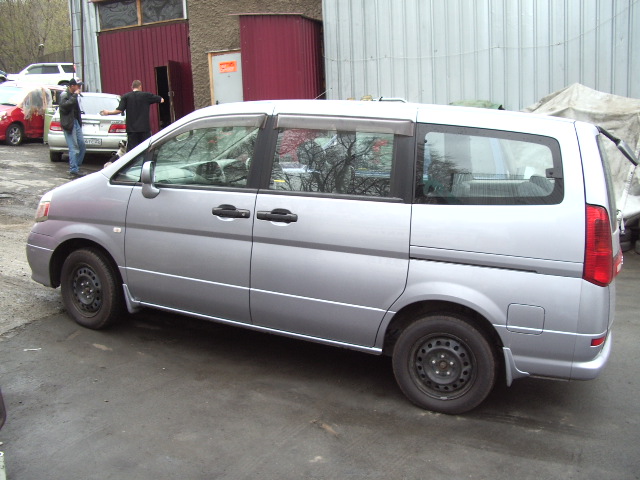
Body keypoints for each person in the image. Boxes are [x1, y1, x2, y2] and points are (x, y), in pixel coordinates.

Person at [100, 80, 164, 152]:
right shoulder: (146, 95)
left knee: (132, 151)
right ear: (140, 86)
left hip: (131, 129)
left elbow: (119, 110)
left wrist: (108, 112)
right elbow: (161, 100)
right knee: (146, 149)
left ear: (132, 87)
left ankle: (133, 163)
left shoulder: (126, 97)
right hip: (144, 129)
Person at [58, 79, 86, 177]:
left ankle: (76, 166)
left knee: (82, 145)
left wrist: (79, 122)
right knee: (73, 147)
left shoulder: (74, 96)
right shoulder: (64, 95)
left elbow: (76, 110)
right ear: (72, 86)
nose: (80, 88)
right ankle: (73, 169)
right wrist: (75, 95)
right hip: (68, 124)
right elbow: (65, 107)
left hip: (75, 122)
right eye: (78, 86)